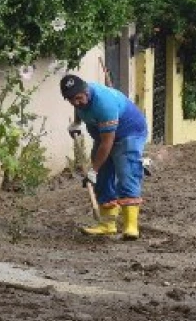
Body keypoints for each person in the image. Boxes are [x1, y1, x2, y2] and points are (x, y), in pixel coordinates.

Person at [61, 73, 148, 239]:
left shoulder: (104, 104)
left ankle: (131, 226)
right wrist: (77, 122)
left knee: (126, 172)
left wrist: (93, 169)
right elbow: (79, 106)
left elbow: (107, 143)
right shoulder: (80, 96)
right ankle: (107, 225)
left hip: (129, 132)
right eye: (71, 100)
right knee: (103, 177)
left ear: (86, 92)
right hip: (103, 136)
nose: (76, 103)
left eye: (78, 98)